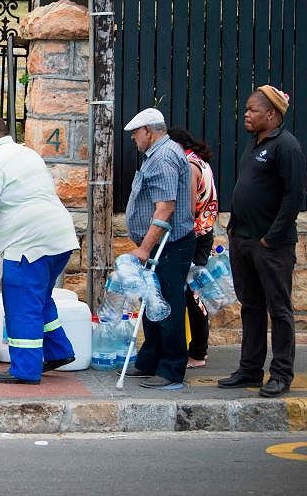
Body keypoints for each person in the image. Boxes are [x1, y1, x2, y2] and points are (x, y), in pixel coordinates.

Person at [0, 115, 79, 384]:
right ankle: (59, 351)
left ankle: (26, 370)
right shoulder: (27, 154)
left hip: (29, 244)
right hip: (60, 238)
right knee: (39, 299)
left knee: (21, 304)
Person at [218, 86, 305, 398]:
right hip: (242, 240)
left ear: (272, 114)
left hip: (271, 246)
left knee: (279, 309)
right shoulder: (255, 145)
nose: (246, 115)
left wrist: (272, 238)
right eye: (246, 110)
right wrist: (234, 230)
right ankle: (250, 369)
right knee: (250, 306)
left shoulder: (287, 147)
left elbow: (293, 196)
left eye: (252, 110)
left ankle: (281, 374)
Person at [122, 108, 196, 389]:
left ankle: (171, 369)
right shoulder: (160, 154)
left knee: (166, 306)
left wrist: (144, 248)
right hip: (161, 245)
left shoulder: (163, 157)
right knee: (151, 303)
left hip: (169, 245)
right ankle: (149, 360)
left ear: (148, 131)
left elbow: (165, 208)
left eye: (135, 134)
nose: (133, 139)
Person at [167, 127, 219, 369]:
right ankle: (198, 349)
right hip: (204, 233)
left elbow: (186, 210)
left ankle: (198, 352)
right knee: (194, 293)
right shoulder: (200, 162)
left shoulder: (188, 166)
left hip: (194, 237)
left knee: (193, 295)